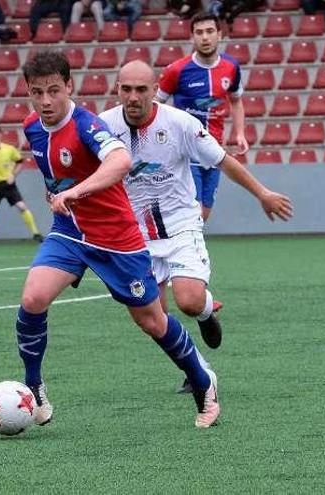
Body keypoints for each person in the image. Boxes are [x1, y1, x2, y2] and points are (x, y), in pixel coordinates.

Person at [18, 51, 220, 428]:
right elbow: (57, 175)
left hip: (117, 238)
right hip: (71, 233)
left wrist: (75, 192)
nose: (45, 101)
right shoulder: (31, 127)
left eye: (53, 91)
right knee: (33, 297)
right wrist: (58, 195)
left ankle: (201, 378)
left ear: (70, 87)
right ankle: (33, 387)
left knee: (152, 322)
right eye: (37, 92)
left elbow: (120, 162)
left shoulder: (87, 125)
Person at [101, 60, 293, 392]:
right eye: (126, 88)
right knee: (155, 319)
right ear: (117, 88)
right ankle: (198, 369)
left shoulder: (180, 123)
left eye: (141, 89)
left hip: (180, 224)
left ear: (156, 90)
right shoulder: (102, 126)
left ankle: (205, 313)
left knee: (188, 300)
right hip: (136, 235)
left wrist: (262, 193)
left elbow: (222, 160)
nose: (133, 97)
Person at [156, 13, 247, 223]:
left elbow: (236, 100)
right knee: (193, 211)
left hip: (215, 151)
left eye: (210, 31)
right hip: (187, 152)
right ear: (192, 37)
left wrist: (240, 133)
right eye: (199, 33)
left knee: (203, 214)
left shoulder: (231, 67)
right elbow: (154, 105)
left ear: (220, 35)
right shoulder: (177, 70)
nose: (205, 38)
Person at [0, 125, 43, 245]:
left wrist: (13, 175)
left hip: (8, 185)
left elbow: (19, 162)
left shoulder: (9, 149)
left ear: (0, 134)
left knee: (22, 207)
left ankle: (36, 233)